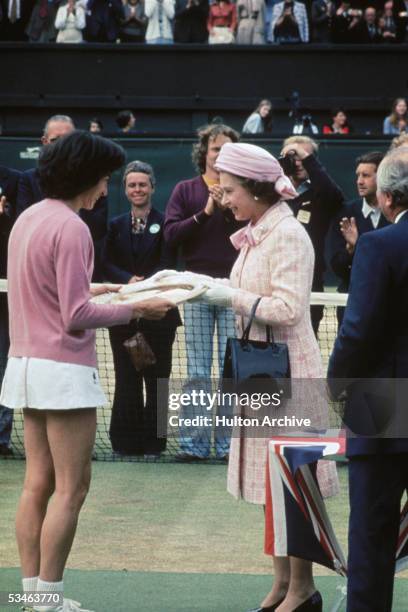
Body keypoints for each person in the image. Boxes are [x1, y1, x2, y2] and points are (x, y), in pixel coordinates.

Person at [0, 131, 174, 612]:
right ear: (85, 176)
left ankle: (32, 594)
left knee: (38, 483)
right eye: (104, 178)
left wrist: (105, 289)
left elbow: (52, 290)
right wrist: (139, 310)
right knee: (71, 489)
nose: (106, 187)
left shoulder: (28, 219)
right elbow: (74, 315)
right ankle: (50, 600)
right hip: (63, 372)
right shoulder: (73, 227)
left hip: (25, 367)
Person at [191, 142, 338, 612]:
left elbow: (290, 309)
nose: (224, 198)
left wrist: (224, 295)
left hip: (291, 375)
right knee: (273, 484)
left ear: (256, 189)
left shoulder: (289, 234)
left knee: (293, 486)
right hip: (263, 375)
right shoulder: (258, 229)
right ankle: (281, 586)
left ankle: (303, 590)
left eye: (230, 190)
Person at [328, 146, 408, 612]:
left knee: (372, 538)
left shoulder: (378, 245)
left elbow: (356, 331)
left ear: (386, 198)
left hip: (381, 407)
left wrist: (337, 388)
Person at [164, 123, 241, 461]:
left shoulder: (242, 191)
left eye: (226, 149)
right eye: (215, 149)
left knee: (229, 372)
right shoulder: (185, 190)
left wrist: (227, 209)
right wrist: (207, 212)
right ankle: (192, 446)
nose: (220, 154)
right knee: (197, 371)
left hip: (233, 289)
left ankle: (227, 446)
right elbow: (171, 235)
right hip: (195, 287)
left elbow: (252, 232)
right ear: (204, 153)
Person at [102, 161, 182, 457]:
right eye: (132, 185)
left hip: (160, 317)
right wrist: (128, 280)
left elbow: (168, 262)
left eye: (142, 184)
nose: (138, 189)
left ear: (152, 187)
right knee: (126, 378)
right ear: (125, 190)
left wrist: (147, 284)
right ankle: (125, 444)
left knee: (157, 379)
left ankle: (154, 444)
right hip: (123, 317)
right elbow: (105, 262)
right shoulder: (114, 226)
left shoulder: (167, 224)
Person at [17, 115, 109, 282]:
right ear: (44, 142)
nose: (62, 147)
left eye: (67, 140)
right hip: (42, 275)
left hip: (83, 273)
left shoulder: (93, 181)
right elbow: (25, 227)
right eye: (55, 140)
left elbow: (98, 228)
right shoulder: (28, 180)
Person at [280, 135, 344, 334]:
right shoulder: (273, 192)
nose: (297, 162)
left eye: (303, 157)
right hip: (276, 274)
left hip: (310, 276)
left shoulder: (320, 193)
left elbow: (335, 197)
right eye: (292, 157)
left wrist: (306, 158)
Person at [329, 151, 389, 327]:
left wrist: (360, 245)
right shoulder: (345, 212)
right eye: (358, 175)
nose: (359, 181)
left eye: (366, 175)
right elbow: (337, 267)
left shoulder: (396, 214)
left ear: (382, 178)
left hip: (388, 303)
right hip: (352, 302)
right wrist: (351, 249)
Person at [0, 165, 20, 456]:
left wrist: (3, 216)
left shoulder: (15, 180)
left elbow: (18, 230)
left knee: (5, 365)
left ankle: (1, 437)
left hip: (5, 291)